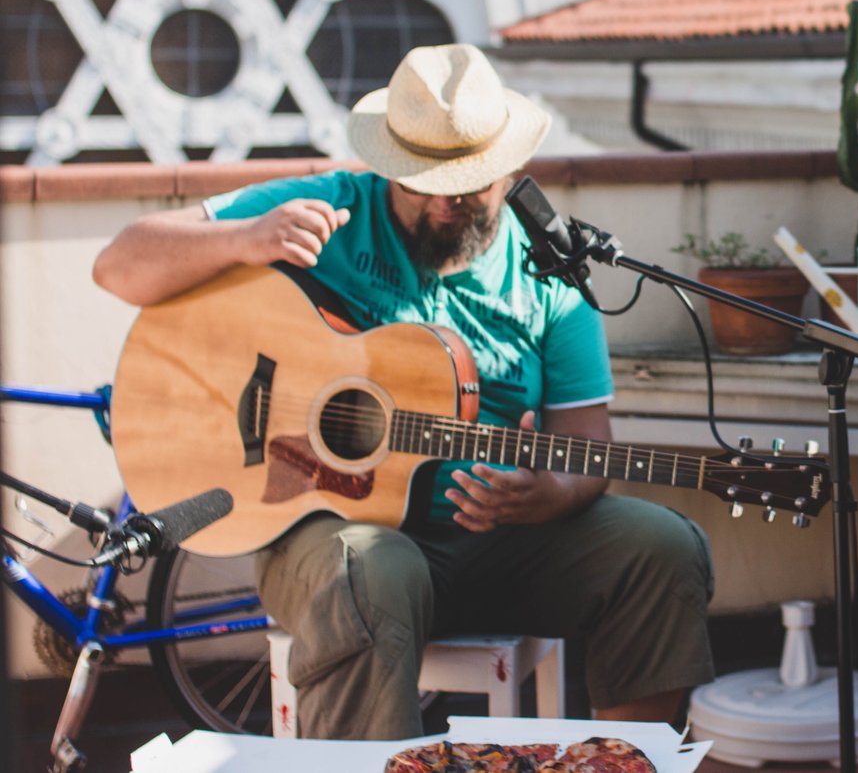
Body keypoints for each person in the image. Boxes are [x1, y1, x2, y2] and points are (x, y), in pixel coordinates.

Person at [94, 43, 715, 739]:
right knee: (372, 570)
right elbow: (120, 265)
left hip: (499, 548)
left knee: (664, 548)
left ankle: (623, 759)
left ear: (508, 170)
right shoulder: (328, 206)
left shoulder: (549, 278)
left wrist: (550, 493)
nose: (445, 204)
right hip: (330, 543)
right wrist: (244, 238)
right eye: (422, 182)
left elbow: (587, 441)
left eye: (468, 184)